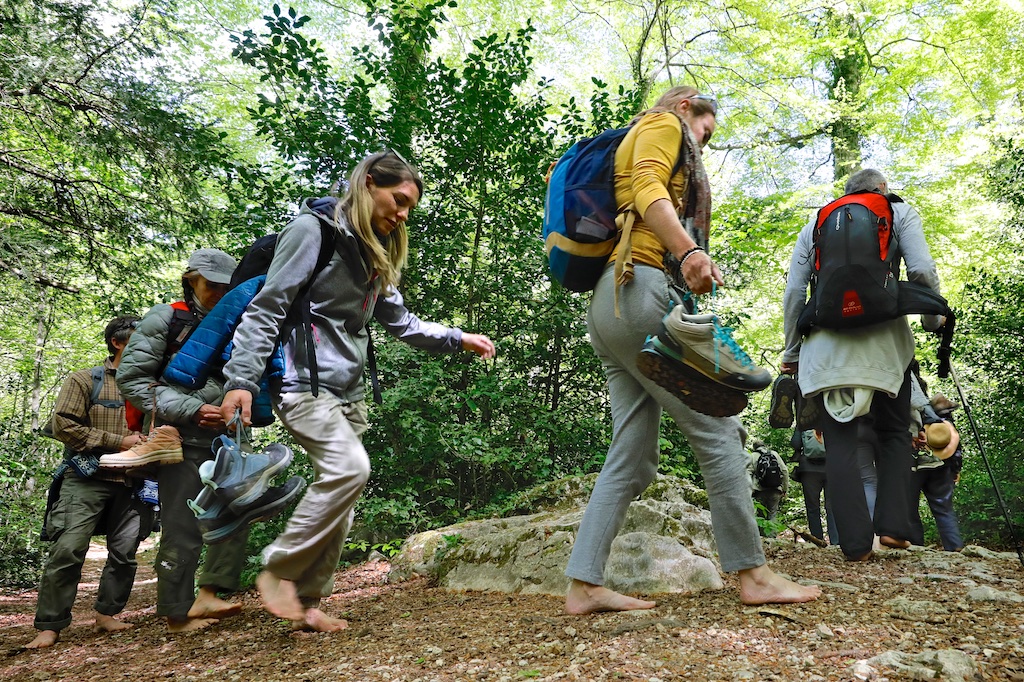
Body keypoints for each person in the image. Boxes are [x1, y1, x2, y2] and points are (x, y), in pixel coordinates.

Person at [563, 86, 820, 615]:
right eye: (706, 129)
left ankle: (584, 584)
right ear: (687, 108)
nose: (704, 141)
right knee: (718, 425)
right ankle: (755, 573)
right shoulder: (663, 125)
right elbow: (647, 189)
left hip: (610, 304)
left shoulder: (639, 136)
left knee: (631, 455)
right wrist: (690, 251)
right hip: (642, 288)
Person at [219, 151, 496, 631]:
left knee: (343, 492)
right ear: (369, 183)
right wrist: (241, 379)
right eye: (399, 199)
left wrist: (458, 337)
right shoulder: (313, 232)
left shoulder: (375, 250)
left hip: (349, 391)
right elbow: (267, 309)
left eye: (410, 206)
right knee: (351, 469)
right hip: (301, 382)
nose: (404, 213)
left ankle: (307, 605)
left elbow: (402, 323)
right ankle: (279, 569)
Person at [781, 168, 945, 562]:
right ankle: (892, 528)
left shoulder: (817, 222)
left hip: (825, 347)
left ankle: (854, 546)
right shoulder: (896, 211)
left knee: (839, 443)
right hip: (886, 345)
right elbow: (921, 269)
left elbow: (794, 291)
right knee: (893, 433)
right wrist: (932, 320)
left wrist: (791, 353)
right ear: (882, 190)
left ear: (846, 193)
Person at [116, 249, 250, 633]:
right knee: (182, 526)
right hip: (181, 441)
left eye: (228, 287)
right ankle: (177, 612)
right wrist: (192, 409)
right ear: (191, 280)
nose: (221, 293)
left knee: (239, 512)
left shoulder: (241, 321)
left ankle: (211, 593)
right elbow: (134, 380)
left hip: (230, 439)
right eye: (213, 285)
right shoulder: (165, 319)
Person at [26, 316, 153, 649]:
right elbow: (64, 426)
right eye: (141, 340)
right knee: (67, 549)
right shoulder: (85, 380)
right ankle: (50, 626)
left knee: (124, 553)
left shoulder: (152, 387)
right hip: (86, 478)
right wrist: (118, 442)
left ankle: (108, 614)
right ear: (118, 342)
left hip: (134, 483)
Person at [790, 429, 838, 545]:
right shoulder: (831, 418)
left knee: (812, 507)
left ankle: (817, 540)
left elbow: (795, 443)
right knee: (832, 507)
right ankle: (836, 541)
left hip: (809, 470)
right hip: (831, 467)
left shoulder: (804, 420)